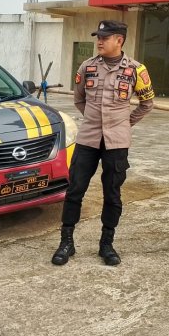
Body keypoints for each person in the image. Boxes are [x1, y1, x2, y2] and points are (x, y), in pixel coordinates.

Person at [51, 20, 155, 266]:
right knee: (75, 189)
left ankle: (106, 244)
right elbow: (79, 99)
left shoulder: (136, 70)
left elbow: (147, 103)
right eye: (98, 36)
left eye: (104, 37)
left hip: (117, 142)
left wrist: (124, 124)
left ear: (119, 40)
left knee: (112, 193)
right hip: (88, 138)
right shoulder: (87, 67)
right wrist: (94, 120)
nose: (99, 41)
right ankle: (66, 242)